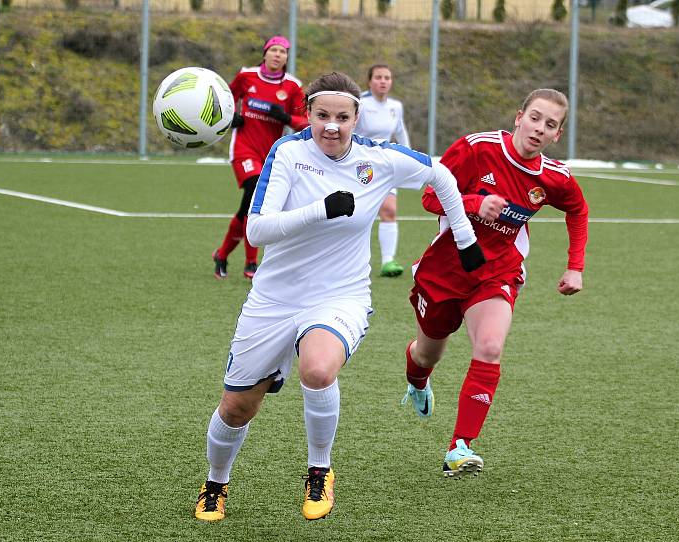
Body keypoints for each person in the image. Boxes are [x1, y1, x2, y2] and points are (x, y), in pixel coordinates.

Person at [194, 72, 485, 522]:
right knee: (236, 407)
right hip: (274, 298)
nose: (331, 126)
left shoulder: (380, 158)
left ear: (357, 118)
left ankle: (319, 471)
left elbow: (442, 173)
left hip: (340, 295)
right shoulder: (288, 152)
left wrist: (465, 240)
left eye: (342, 117)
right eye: (322, 115)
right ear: (308, 114)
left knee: (318, 368)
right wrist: (320, 210)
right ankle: (215, 482)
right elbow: (257, 228)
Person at [401, 88, 589, 479]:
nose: (539, 128)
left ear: (557, 135)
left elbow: (578, 210)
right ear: (519, 116)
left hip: (497, 272)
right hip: (444, 271)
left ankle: (459, 446)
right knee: (426, 354)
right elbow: (430, 198)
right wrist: (471, 203)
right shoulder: (476, 148)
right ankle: (418, 379)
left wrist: (575, 267)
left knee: (489, 346)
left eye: (550, 125)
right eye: (535, 118)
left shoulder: (554, 178)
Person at [212, 35, 309, 280]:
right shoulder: (247, 76)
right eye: (273, 50)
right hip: (244, 149)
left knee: (252, 208)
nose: (278, 55)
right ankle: (251, 263)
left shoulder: (292, 87)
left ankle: (222, 255)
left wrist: (286, 119)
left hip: (271, 155)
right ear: (264, 54)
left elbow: (306, 123)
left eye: (283, 51)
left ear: (287, 58)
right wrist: (230, 118)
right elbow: (225, 99)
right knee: (254, 192)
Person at [355, 64, 414, 278]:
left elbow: (400, 132)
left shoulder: (395, 106)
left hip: (388, 165)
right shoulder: (360, 103)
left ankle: (388, 261)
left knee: (389, 210)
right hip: (361, 165)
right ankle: (352, 261)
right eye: (378, 77)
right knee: (359, 213)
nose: (383, 81)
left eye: (387, 78)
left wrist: (408, 157)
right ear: (369, 81)